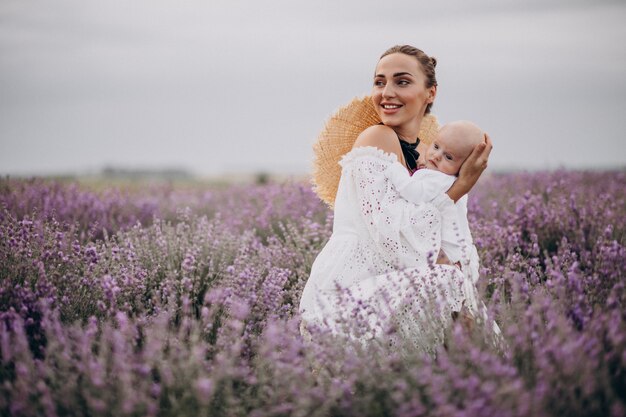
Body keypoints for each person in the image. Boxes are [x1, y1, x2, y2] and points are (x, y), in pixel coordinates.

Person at [299, 45, 493, 353]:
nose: (386, 92)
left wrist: (454, 261)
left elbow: (455, 241)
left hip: (403, 287)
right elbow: (392, 239)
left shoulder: (434, 155)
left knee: (460, 299)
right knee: (446, 285)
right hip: (352, 289)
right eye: (380, 82)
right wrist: (460, 187)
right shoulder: (376, 139)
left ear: (430, 93)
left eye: (401, 82)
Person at [384, 120, 485, 282]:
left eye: (449, 157)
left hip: (449, 257)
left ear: (464, 166)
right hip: (459, 254)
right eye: (436, 147)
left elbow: (414, 193)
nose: (437, 156)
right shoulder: (444, 178)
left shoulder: (440, 179)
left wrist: (394, 168)